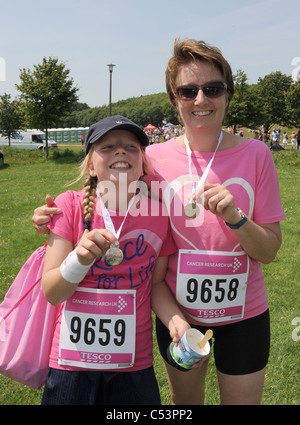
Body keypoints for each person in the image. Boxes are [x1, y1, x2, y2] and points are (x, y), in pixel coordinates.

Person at [33, 38, 285, 405]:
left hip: (244, 312)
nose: (200, 99)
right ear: (174, 98)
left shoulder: (257, 153)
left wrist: (236, 218)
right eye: (188, 90)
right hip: (177, 313)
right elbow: (108, 187)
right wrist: (54, 216)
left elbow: (269, 250)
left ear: (228, 94)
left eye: (212, 88)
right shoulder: (149, 156)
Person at [39, 115, 191, 405]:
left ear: (143, 163)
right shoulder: (69, 206)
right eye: (107, 146)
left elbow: (156, 284)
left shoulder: (159, 216)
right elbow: (52, 291)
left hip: (133, 363)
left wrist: (176, 320)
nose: (121, 151)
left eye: (132, 147)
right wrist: (79, 260)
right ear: (91, 165)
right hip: (72, 363)